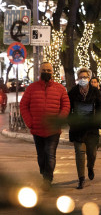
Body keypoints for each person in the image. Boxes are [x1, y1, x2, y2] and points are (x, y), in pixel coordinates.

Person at [20, 62, 70, 191]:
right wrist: (30, 122)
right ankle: (44, 173)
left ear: (52, 72)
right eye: (44, 69)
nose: (46, 72)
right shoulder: (31, 88)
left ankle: (48, 180)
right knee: (41, 156)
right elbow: (23, 106)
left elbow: (66, 106)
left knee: (50, 154)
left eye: (48, 70)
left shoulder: (60, 88)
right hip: (37, 129)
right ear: (39, 71)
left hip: (53, 130)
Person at [68, 68, 101, 189]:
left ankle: (90, 166)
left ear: (89, 78)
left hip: (92, 127)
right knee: (79, 152)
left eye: (85, 77)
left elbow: (100, 107)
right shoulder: (73, 92)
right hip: (78, 127)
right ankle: (81, 179)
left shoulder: (95, 92)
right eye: (81, 77)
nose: (83, 79)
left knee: (92, 152)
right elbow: (68, 108)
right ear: (78, 79)